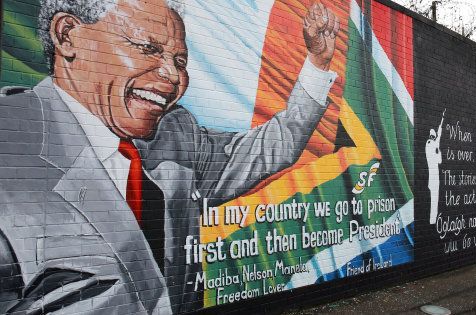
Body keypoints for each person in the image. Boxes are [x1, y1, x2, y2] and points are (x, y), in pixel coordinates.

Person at [0, 0, 341, 313]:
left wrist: (317, 64)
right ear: (68, 35)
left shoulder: (175, 133)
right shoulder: (10, 140)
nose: (174, 76)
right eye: (148, 49)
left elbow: (268, 149)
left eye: (180, 61)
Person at [426, 109, 445, 224]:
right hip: (434, 178)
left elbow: (438, 137)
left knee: (433, 199)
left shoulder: (428, 145)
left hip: (430, 178)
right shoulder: (433, 145)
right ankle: (433, 220)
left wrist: (441, 123)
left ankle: (432, 219)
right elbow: (439, 160)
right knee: (434, 199)